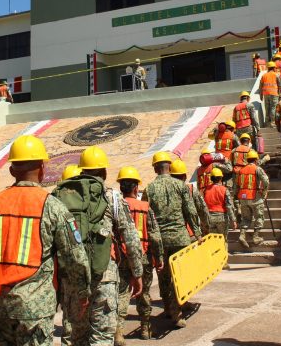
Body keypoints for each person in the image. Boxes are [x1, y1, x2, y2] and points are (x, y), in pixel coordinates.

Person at [0, 135, 90, 346]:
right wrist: (81, 294)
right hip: (35, 311)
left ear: (12, 170)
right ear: (42, 169)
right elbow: (75, 258)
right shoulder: (53, 207)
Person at [54, 146, 143, 346]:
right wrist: (137, 273)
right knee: (102, 336)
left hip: (74, 278)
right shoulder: (112, 198)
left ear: (82, 170)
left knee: (77, 336)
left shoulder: (64, 197)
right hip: (104, 275)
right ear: (104, 172)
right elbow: (130, 238)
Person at [142, 152, 202, 328]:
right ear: (169, 166)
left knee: (164, 274)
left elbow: (146, 216)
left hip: (160, 239)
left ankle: (169, 307)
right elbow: (190, 211)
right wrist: (197, 233)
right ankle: (177, 312)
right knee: (180, 274)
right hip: (180, 237)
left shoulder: (149, 189)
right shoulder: (180, 186)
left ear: (155, 168)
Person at [115, 167, 164, 342]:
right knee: (144, 292)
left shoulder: (116, 207)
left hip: (121, 256)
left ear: (121, 187)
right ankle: (145, 328)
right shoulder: (145, 207)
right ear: (136, 188)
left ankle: (118, 331)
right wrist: (159, 257)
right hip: (143, 256)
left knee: (122, 293)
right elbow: (155, 236)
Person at [202, 168, 236, 268]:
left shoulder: (205, 190)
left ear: (211, 178)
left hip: (209, 218)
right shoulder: (224, 190)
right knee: (223, 240)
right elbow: (229, 206)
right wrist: (233, 220)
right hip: (222, 218)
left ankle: (214, 262)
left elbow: (203, 205)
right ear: (221, 178)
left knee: (212, 241)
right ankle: (223, 263)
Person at [235, 151, 269, 248]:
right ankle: (256, 237)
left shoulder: (241, 170)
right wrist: (264, 192)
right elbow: (266, 181)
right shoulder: (257, 169)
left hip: (243, 197)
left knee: (246, 218)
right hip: (255, 197)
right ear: (256, 159)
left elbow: (237, 186)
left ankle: (242, 235)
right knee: (259, 217)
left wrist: (237, 198)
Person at [170, 159, 210, 237]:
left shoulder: (164, 191)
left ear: (170, 176)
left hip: (167, 236)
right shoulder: (191, 190)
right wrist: (206, 229)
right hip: (190, 234)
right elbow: (203, 211)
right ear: (185, 176)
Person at [258, 61, 281, 127]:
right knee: (273, 108)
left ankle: (267, 123)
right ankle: (272, 123)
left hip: (266, 94)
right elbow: (280, 85)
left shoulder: (264, 75)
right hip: (274, 93)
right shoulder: (276, 75)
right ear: (273, 68)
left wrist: (261, 95)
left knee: (267, 108)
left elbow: (260, 86)